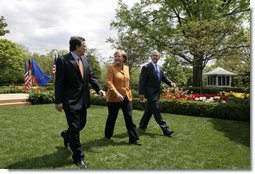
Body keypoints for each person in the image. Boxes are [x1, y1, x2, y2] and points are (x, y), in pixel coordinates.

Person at [54, 36, 105, 167]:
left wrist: (99, 89)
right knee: (75, 128)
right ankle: (78, 157)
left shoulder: (85, 59)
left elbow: (91, 77)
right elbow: (59, 82)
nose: (86, 48)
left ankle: (66, 135)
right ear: (77, 47)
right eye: (84, 46)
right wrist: (58, 101)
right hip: (70, 101)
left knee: (81, 124)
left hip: (83, 100)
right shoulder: (63, 60)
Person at [104, 50, 140, 146]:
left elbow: (127, 82)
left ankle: (133, 138)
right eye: (115, 56)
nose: (116, 58)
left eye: (119, 56)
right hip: (114, 97)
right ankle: (108, 135)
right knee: (112, 117)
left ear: (124, 58)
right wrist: (117, 93)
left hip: (127, 97)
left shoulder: (127, 68)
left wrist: (128, 92)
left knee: (129, 118)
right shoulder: (111, 68)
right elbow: (109, 82)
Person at [139, 50, 176, 136]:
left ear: (159, 57)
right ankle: (165, 129)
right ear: (151, 56)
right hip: (149, 93)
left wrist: (171, 83)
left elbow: (164, 78)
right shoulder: (146, 67)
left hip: (157, 93)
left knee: (149, 110)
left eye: (157, 56)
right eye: (154, 55)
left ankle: (142, 125)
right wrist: (141, 93)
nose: (155, 57)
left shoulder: (160, 68)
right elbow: (142, 81)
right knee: (156, 110)